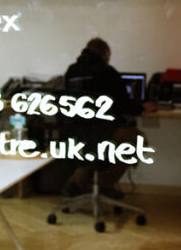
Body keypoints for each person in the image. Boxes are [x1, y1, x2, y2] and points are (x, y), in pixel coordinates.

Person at [61, 37, 155, 198]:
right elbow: (124, 105)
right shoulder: (108, 72)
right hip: (103, 134)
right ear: (105, 55)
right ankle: (104, 184)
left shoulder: (71, 71)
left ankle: (79, 179)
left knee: (94, 149)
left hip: (76, 135)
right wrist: (142, 107)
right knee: (138, 141)